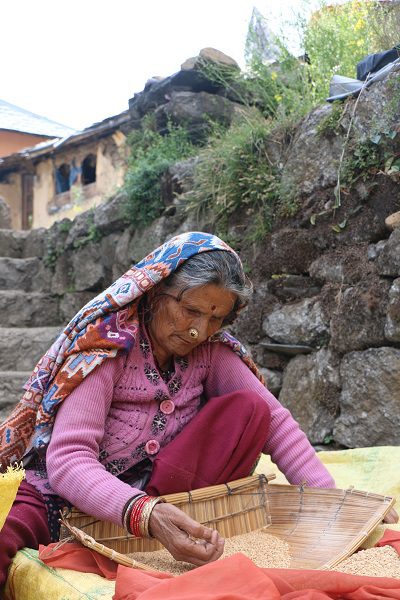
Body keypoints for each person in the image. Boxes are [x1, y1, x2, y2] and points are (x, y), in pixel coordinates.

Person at [0, 231, 381, 585]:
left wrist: (337, 508)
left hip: (167, 497)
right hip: (67, 497)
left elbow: (277, 425)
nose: (200, 330)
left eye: (216, 318)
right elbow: (67, 462)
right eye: (191, 311)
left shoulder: (211, 353)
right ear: (155, 293)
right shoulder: (109, 349)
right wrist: (144, 514)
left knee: (249, 409)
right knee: (5, 530)